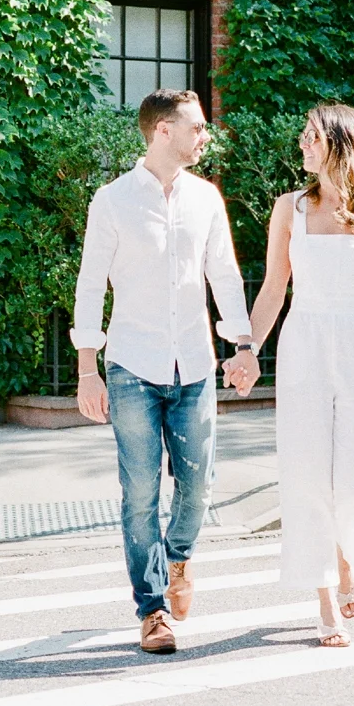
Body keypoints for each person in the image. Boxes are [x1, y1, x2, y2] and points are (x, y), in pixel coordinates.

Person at [71, 88, 252, 654]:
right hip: (131, 367)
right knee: (139, 494)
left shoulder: (205, 199)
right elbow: (89, 283)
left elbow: (224, 274)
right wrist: (86, 368)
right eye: (197, 127)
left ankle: (179, 559)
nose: (206, 135)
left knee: (198, 487)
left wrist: (242, 344)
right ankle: (151, 611)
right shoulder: (113, 201)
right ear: (162, 131)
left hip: (195, 364)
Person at [223, 103, 354, 647]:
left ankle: (350, 553)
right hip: (304, 342)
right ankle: (326, 596)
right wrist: (248, 349)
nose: (302, 145)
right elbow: (273, 286)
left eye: (310, 137)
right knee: (307, 474)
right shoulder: (290, 208)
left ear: (338, 142)